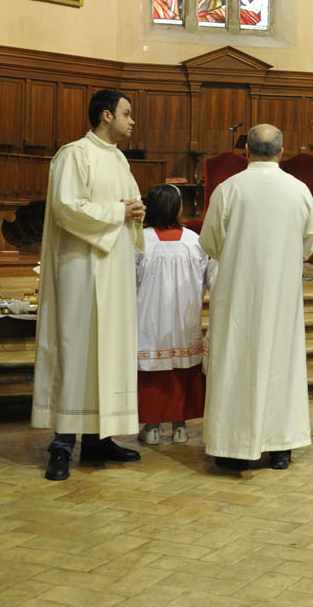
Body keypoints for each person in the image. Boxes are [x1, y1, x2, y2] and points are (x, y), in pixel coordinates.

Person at [33, 90, 146, 481]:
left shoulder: (119, 159)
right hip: (80, 271)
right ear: (106, 115)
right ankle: (62, 444)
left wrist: (135, 212)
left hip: (114, 271)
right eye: (127, 114)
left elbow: (127, 207)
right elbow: (66, 208)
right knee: (77, 349)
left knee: (108, 350)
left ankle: (100, 438)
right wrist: (119, 211)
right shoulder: (73, 155)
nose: (132, 121)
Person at [200, 124, 313, 470]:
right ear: (282, 152)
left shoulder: (228, 189)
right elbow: (310, 241)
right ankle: (281, 446)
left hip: (238, 293)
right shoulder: (298, 190)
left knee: (235, 363)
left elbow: (210, 242)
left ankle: (232, 448)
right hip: (281, 294)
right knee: (281, 364)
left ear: (246, 152)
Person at [136, 184, 216, 445]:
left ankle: (152, 427)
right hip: (184, 318)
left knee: (153, 368)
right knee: (183, 367)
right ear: (178, 208)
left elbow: (129, 280)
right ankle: (180, 426)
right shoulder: (194, 241)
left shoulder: (140, 240)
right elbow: (210, 279)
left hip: (150, 320)